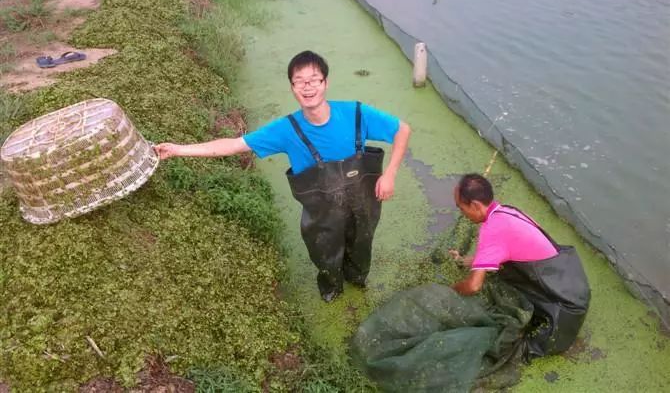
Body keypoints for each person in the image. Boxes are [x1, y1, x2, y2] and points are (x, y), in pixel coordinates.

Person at [154, 50, 411, 302]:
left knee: (362, 245)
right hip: (321, 215)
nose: (307, 87)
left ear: (325, 83)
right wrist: (178, 149)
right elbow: (234, 145)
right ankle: (332, 287)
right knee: (325, 255)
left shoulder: (356, 113)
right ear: (292, 88)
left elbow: (402, 130)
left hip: (363, 202)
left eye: (313, 80)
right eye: (299, 82)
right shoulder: (286, 130)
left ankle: (357, 279)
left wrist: (390, 173)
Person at [450, 173, 590, 358]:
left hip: (563, 307)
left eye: (461, 208)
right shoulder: (507, 211)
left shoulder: (492, 230)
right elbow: (509, 247)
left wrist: (452, 289)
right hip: (571, 281)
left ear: (475, 205)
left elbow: (474, 286)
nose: (462, 214)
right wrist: (469, 260)